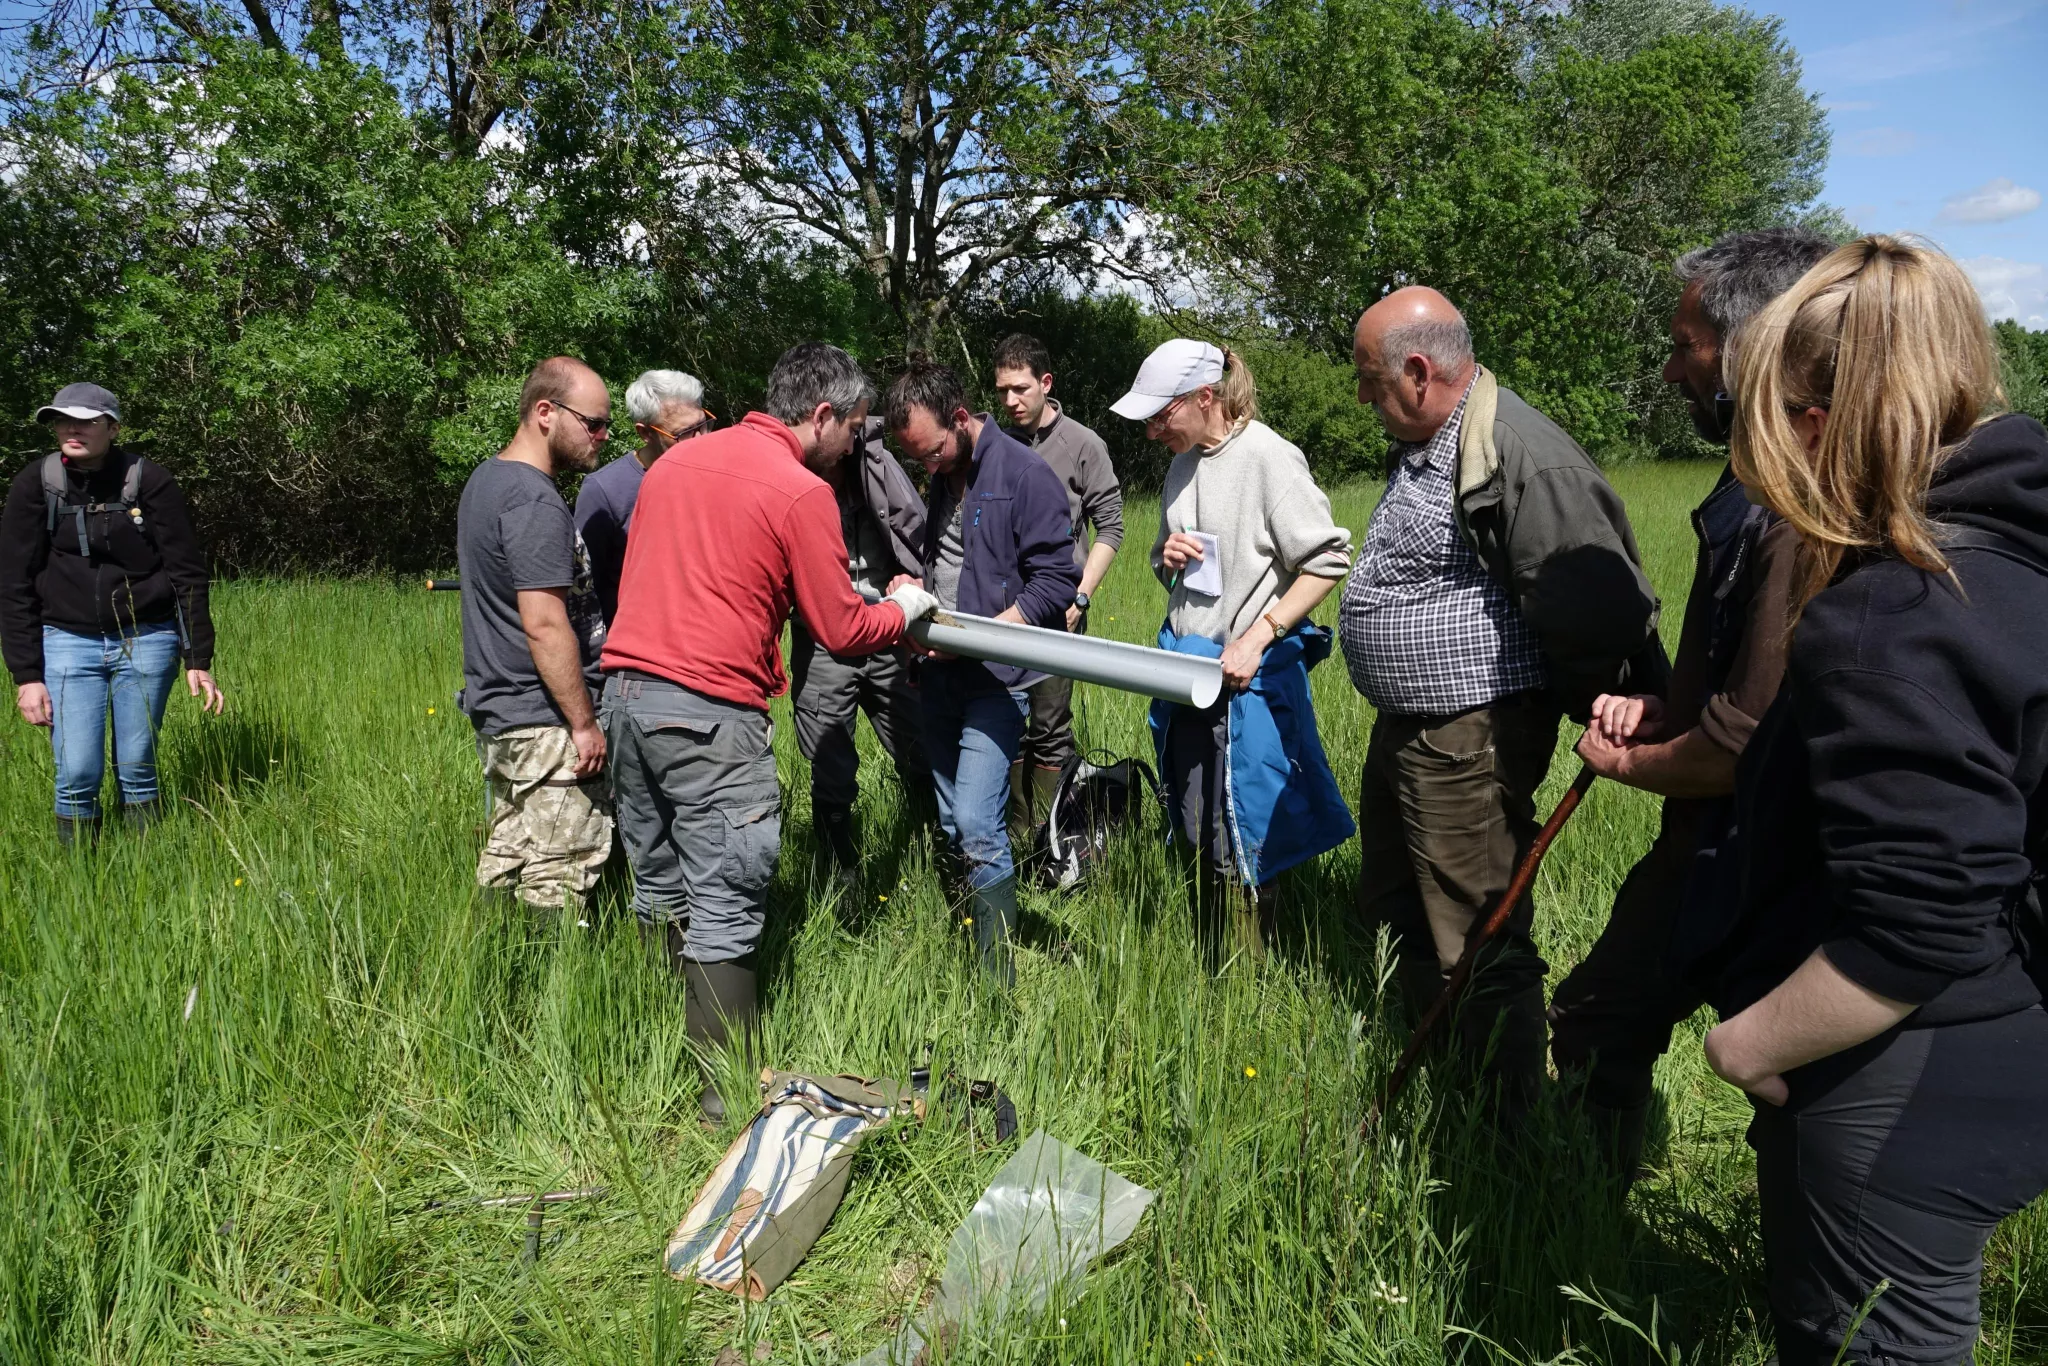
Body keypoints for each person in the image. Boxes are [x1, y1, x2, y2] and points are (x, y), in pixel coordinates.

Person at [1688, 235, 2048, 1366]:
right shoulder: (2015, 552)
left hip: (1901, 1067)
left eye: (1768, 420)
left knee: (1874, 1344)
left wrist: (1743, 1044)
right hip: (2015, 1019)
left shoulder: (1888, 618)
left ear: (1812, 419)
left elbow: (1918, 915)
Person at [1548, 227, 1832, 1181]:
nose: (1672, 371)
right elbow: (1723, 687)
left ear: (1751, 350)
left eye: (1686, 346)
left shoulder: (1804, 507)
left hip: (1778, 855)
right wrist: (1665, 710)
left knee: (1805, 1094)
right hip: (1708, 840)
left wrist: (1622, 760)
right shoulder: (1751, 475)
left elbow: (1738, 749)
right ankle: (1584, 1219)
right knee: (1601, 1014)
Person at [1342, 287, 1665, 1118]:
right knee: (1401, 906)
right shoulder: (1438, 435)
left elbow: (1598, 605)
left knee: (1476, 933)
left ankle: (1503, 1124)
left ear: (1418, 372)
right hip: (1414, 728)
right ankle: (1454, 1082)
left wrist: (1617, 703)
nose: (1359, 395)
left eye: (1366, 378)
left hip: (1469, 735)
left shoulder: (1522, 451)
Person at [602, 342, 936, 1119]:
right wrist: (906, 609)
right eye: (853, 427)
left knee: (658, 879)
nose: (856, 444)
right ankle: (724, 1101)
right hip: (707, 710)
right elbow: (843, 629)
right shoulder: (798, 489)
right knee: (726, 890)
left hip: (625, 696)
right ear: (821, 416)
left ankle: (658, 1045)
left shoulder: (674, 464)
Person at [1111, 340, 1354, 963]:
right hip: (1186, 673)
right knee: (1191, 825)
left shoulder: (1270, 458)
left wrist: (1258, 635)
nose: (1151, 432)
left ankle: (1248, 977)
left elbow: (1327, 561)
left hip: (1247, 681)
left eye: (1159, 416)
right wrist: (1163, 560)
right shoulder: (1181, 464)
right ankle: (1209, 958)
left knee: (1239, 829)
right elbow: (1178, 573)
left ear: (1204, 397)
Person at [883, 361, 1077, 985]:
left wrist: (986, 635)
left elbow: (1056, 582)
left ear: (961, 418)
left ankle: (999, 980)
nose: (929, 468)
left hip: (995, 680)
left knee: (974, 820)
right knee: (949, 821)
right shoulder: (945, 474)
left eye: (935, 452)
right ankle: (971, 941)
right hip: (936, 676)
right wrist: (912, 584)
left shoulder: (1025, 475)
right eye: (920, 461)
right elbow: (945, 562)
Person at [2, 382, 224, 844]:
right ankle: (79, 879)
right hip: (66, 640)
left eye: (85, 421)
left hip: (146, 640)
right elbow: (14, 583)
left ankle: (144, 869)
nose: (71, 428)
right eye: (62, 420)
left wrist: (197, 658)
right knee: (77, 772)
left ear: (113, 427)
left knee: (137, 766)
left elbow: (186, 574)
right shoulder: (36, 483)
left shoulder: (149, 480)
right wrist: (27, 675)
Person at [457, 356, 615, 916]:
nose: (601, 437)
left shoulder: (486, 479)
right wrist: (583, 722)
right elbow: (545, 622)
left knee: (510, 854)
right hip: (542, 719)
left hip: (500, 711)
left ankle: (497, 978)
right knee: (563, 867)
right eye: (592, 423)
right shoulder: (533, 500)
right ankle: (552, 995)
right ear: (545, 412)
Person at [788, 412, 932, 884]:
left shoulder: (875, 462)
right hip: (823, 635)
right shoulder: (789, 469)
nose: (848, 445)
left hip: (888, 626)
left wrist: (916, 591)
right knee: (829, 759)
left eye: (854, 433)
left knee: (920, 745)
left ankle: (933, 848)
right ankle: (839, 871)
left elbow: (916, 529)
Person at [993, 334, 1124, 840]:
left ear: (1046, 384)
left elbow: (1110, 526)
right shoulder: (996, 446)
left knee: (1049, 728)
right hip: (1002, 614)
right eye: (1002, 390)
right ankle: (1011, 837)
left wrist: (1081, 595)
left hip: (1058, 608)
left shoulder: (1082, 444)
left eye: (1021, 388)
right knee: (1006, 723)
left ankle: (1046, 843)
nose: (1011, 401)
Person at [575, 369, 713, 627]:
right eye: (685, 433)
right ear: (646, 433)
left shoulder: (716, 475)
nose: (701, 439)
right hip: (631, 653)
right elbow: (585, 588)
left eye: (703, 424)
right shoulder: (605, 490)